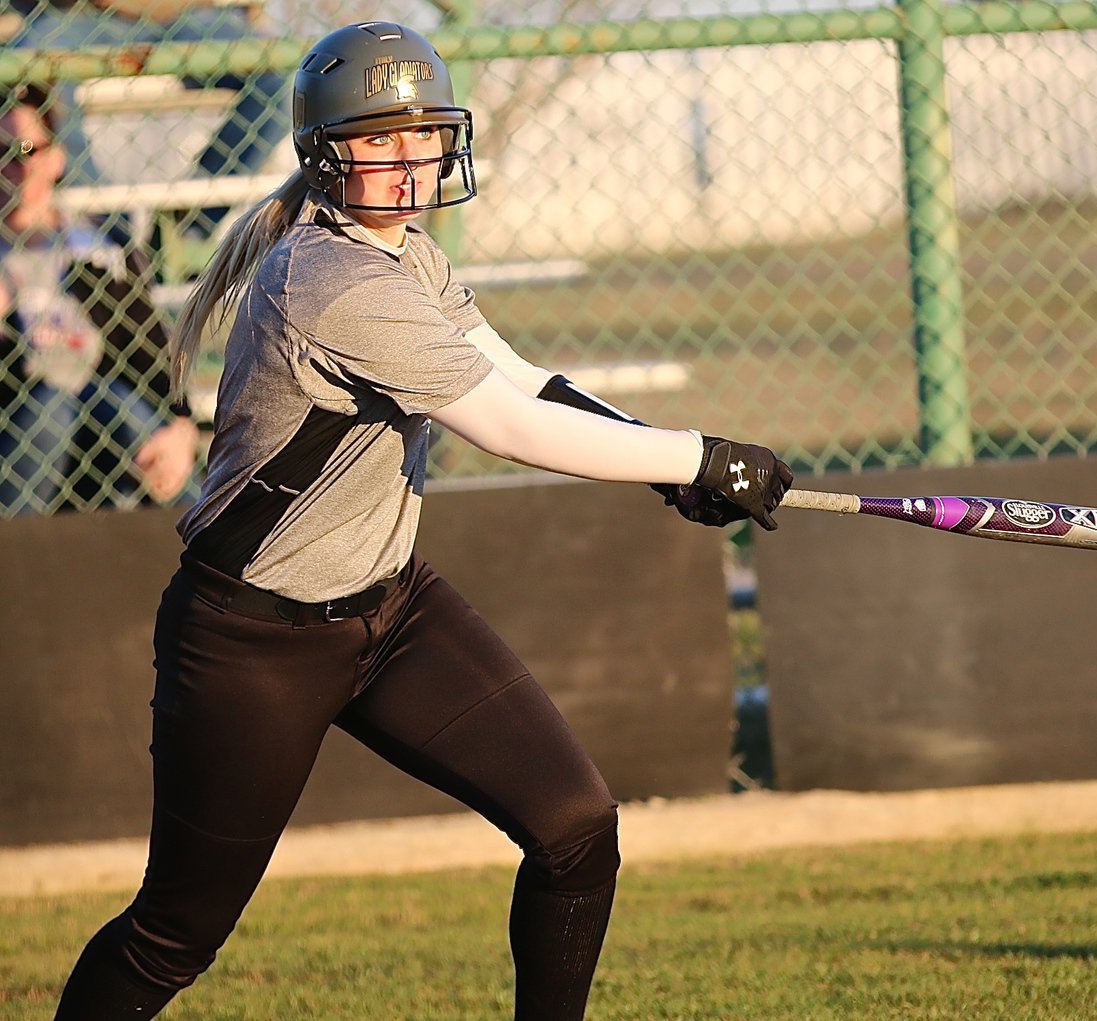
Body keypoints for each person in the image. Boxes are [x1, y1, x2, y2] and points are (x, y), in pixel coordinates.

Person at [49, 21, 793, 1021]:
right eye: (376, 141)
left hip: (391, 608)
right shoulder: (332, 281)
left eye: (425, 136)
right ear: (324, 152)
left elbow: (525, 380)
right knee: (174, 934)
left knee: (576, 827)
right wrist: (699, 454)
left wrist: (662, 463)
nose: (407, 164)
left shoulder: (410, 259)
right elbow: (500, 425)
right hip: (252, 639)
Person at [0, 83, 198, 514]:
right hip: (20, 439)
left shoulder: (98, 248)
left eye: (26, 149)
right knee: (53, 408)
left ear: (56, 158)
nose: (11, 167)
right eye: (0, 152)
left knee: (121, 406)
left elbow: (153, 353)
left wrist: (181, 429)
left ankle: (219, 554)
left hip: (106, 428)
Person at [8, 0, 291, 237]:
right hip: (80, 16)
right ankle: (111, 231)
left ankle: (193, 224)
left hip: (185, 16)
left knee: (281, 78)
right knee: (33, 61)